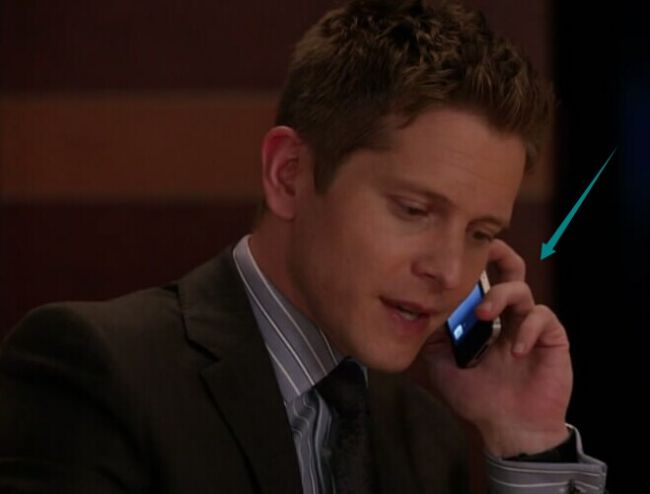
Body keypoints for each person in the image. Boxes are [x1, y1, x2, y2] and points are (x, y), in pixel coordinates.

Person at [0, 0, 609, 492]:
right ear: (289, 174)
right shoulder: (99, 371)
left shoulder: (425, 435)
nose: (449, 271)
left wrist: (526, 441)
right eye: (414, 210)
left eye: (481, 234)